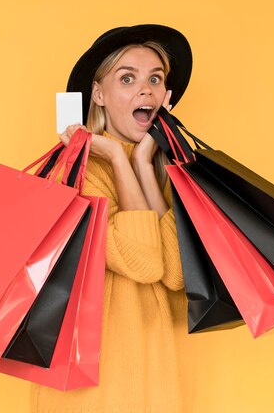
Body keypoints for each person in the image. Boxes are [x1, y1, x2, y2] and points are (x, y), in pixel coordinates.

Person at [29, 24, 196, 413]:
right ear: (99, 95)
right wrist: (119, 159)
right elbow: (144, 260)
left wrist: (140, 161)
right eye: (128, 78)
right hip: (91, 386)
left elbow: (176, 274)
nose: (146, 89)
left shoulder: (167, 173)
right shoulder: (74, 173)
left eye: (155, 79)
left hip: (155, 376)